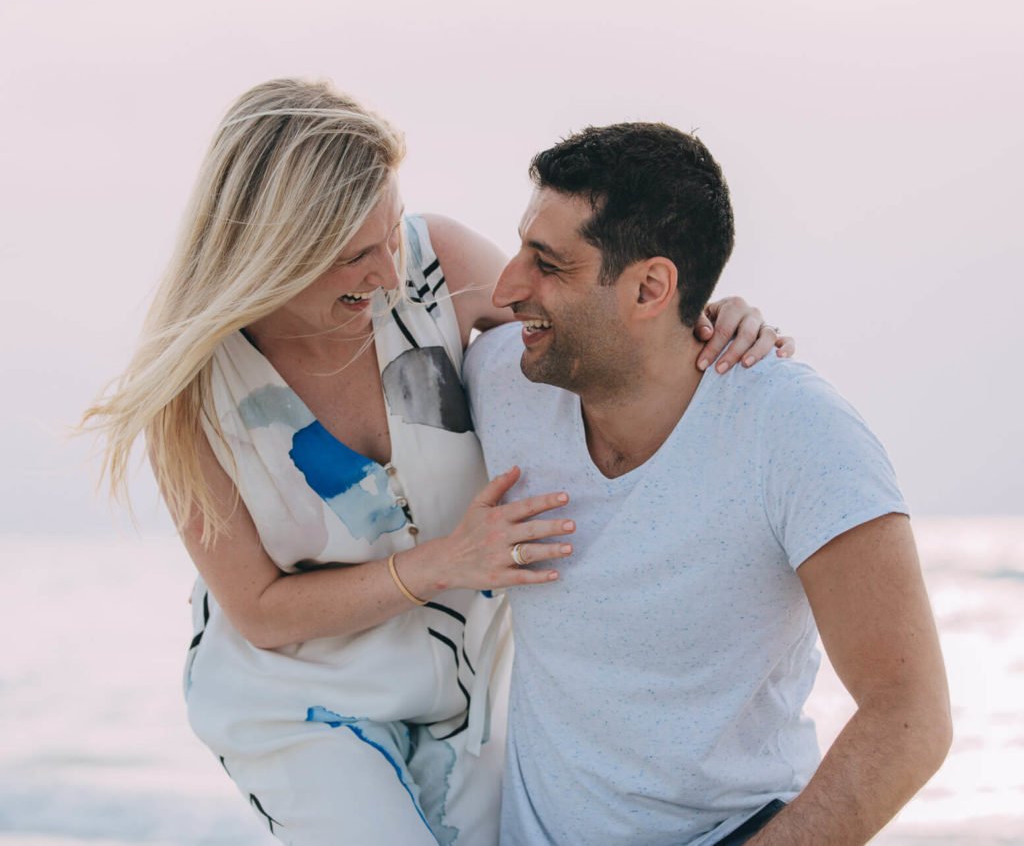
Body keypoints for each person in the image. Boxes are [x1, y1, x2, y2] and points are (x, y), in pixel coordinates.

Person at [81, 80, 792, 846]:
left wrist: (704, 318)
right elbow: (257, 609)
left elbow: (594, 325)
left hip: (470, 685)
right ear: (273, 254)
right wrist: (444, 562)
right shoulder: (189, 395)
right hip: (303, 699)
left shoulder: (435, 266)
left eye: (391, 233)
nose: (390, 274)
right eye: (356, 256)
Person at [463, 122, 952, 846]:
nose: (507, 288)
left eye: (549, 265)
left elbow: (910, 716)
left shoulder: (797, 431)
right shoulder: (501, 381)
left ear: (650, 288)